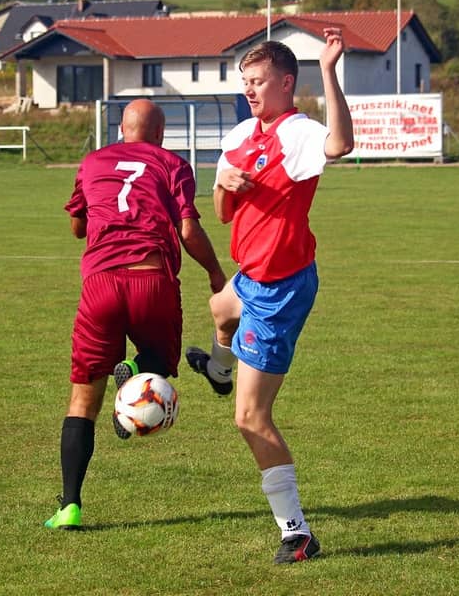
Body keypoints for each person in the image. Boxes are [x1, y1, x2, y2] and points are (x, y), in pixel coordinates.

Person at [185, 29, 354, 564]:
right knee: (220, 307)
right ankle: (219, 370)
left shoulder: (297, 132)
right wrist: (223, 184)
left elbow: (340, 145)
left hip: (279, 290)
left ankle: (297, 533)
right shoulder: (241, 134)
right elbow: (221, 214)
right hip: (250, 277)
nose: (249, 90)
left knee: (250, 418)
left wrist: (328, 70)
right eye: (246, 81)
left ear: (285, 83)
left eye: (258, 81)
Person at [45, 98, 227, 531]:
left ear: (121, 130)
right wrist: (216, 272)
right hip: (152, 280)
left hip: (101, 286)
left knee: (82, 400)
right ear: (161, 134)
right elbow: (187, 229)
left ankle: (70, 505)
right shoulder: (173, 164)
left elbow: (77, 226)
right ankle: (135, 367)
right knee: (161, 363)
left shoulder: (93, 162)